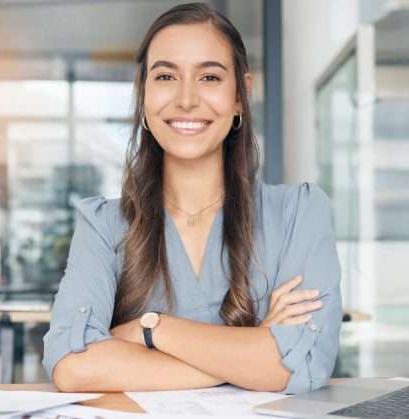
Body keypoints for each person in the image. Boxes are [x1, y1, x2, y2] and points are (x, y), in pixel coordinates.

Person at [43, 2, 341, 395]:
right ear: (144, 94)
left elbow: (301, 364)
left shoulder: (299, 214)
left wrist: (149, 330)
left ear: (241, 95)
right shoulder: (103, 226)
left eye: (210, 78)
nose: (186, 100)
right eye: (166, 76)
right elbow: (72, 367)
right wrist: (248, 356)